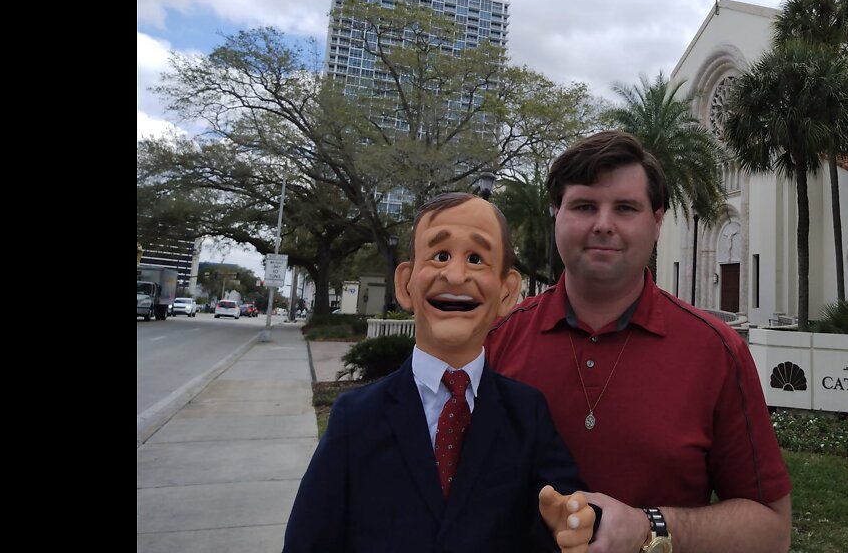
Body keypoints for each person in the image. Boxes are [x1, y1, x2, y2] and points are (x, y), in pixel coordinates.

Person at [486, 131, 792, 553]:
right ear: (556, 213)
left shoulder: (716, 351)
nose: (603, 224)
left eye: (626, 208)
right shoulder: (495, 343)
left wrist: (649, 527)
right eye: (584, 206)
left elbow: (772, 531)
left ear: (658, 220)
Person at [284, 192, 595, 553]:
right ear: (406, 284)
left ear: (508, 293)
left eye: (476, 259)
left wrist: (568, 524)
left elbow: (567, 508)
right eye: (440, 255)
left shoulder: (527, 413)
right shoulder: (355, 417)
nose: (455, 274)